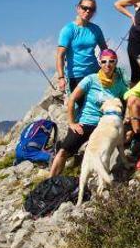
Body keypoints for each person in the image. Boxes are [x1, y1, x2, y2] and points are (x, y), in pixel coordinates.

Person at [50, 49, 128, 177]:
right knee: (63, 151)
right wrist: (72, 123)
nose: (107, 64)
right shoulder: (91, 79)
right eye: (104, 61)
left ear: (116, 62)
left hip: (105, 126)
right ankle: (49, 182)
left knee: (103, 154)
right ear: (100, 63)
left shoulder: (119, 83)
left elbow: (128, 97)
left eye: (111, 61)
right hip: (85, 122)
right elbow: (72, 99)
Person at [56, 0, 108, 93]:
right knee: (79, 107)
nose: (88, 11)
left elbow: (105, 51)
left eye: (91, 9)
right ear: (78, 8)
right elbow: (60, 55)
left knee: (97, 105)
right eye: (85, 8)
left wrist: (107, 67)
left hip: (95, 74)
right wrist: (61, 78)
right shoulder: (68, 29)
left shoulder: (96, 29)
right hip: (76, 76)